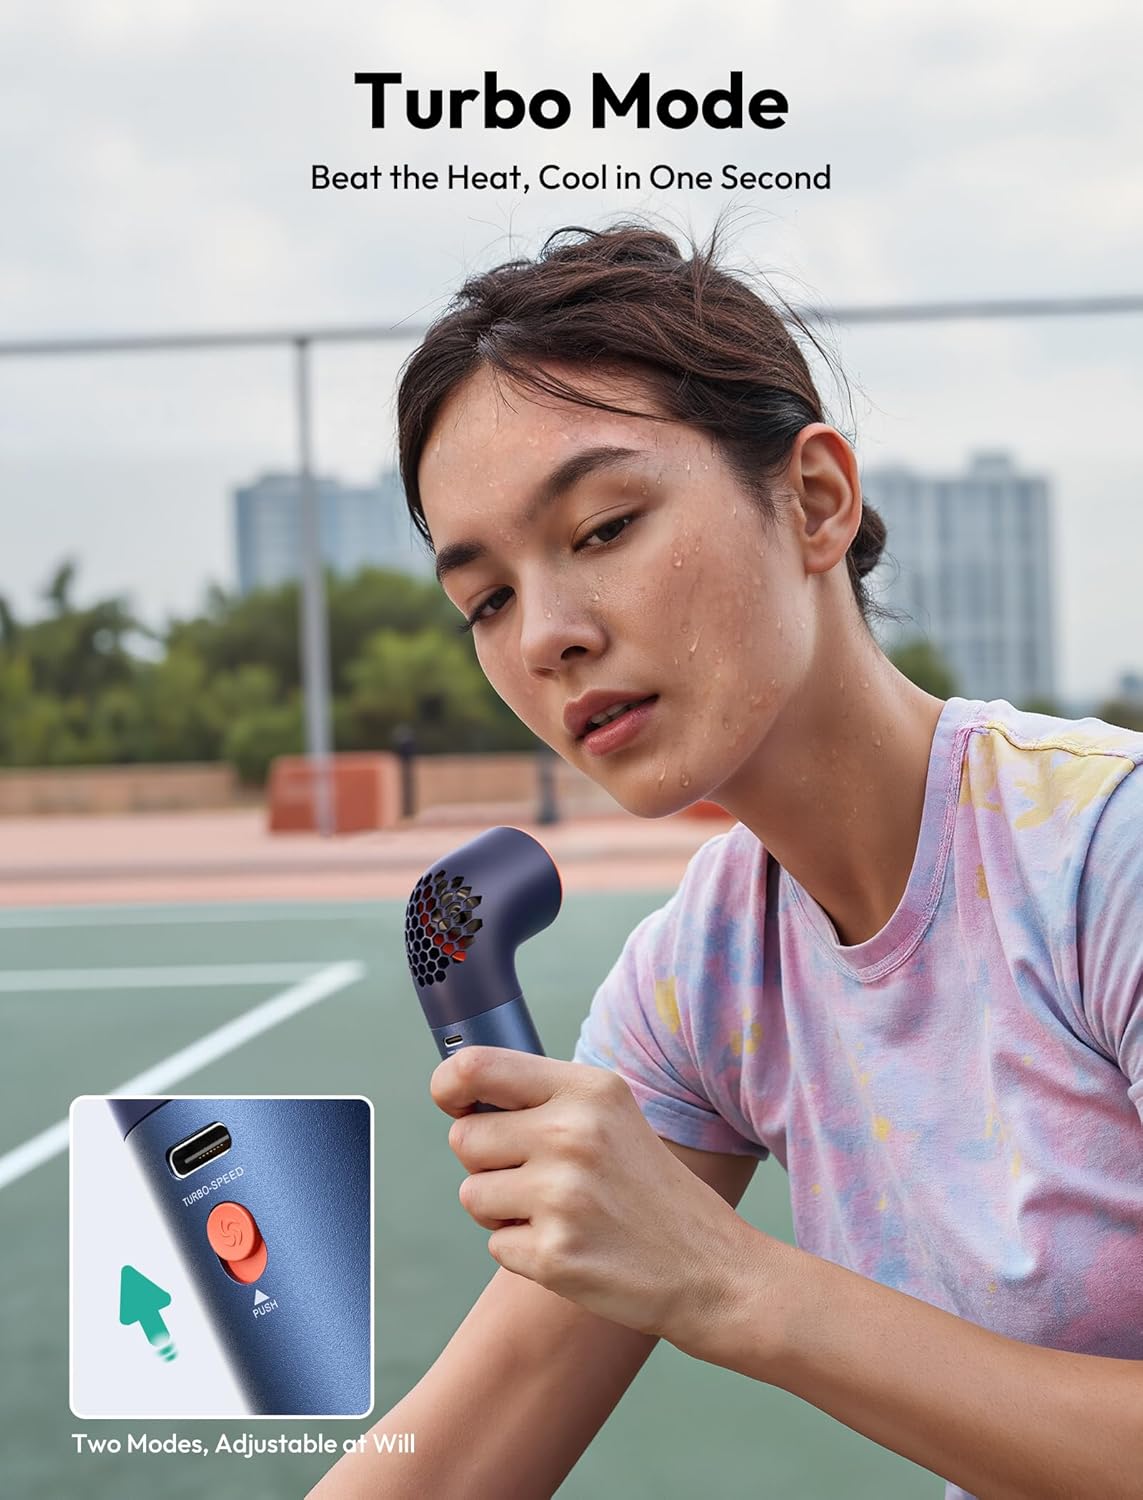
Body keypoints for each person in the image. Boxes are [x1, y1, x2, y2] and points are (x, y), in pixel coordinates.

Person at [309, 223, 1143, 1500]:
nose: (546, 636)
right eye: (484, 598)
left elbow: (714, 1278)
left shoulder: (1103, 857)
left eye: (601, 527)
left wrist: (731, 1281)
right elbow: (474, 1439)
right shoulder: (704, 977)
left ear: (814, 500)